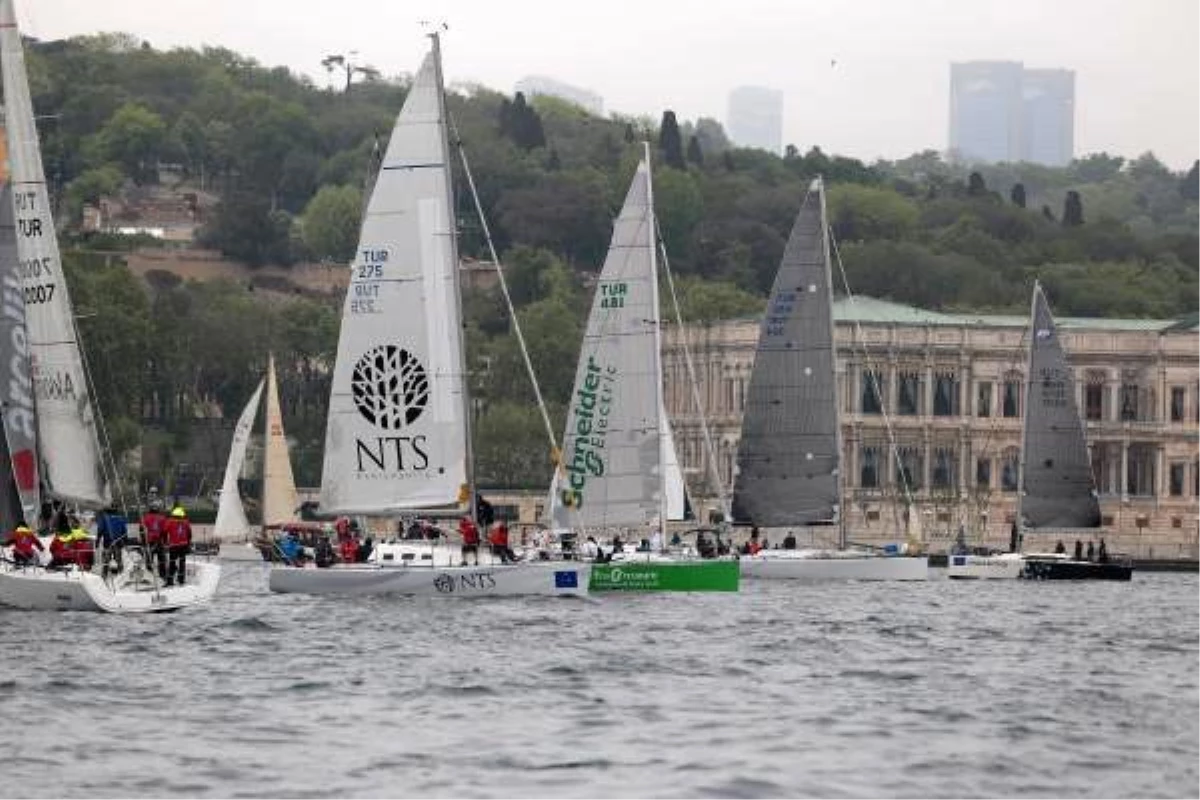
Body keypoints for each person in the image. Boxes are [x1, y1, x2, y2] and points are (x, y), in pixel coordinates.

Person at [163, 506, 193, 586]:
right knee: (182, 563)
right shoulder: (186, 522)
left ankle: (170, 581)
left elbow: (164, 532)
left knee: (172, 562)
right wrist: (188, 544)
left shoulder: (169, 521)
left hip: (173, 545)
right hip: (183, 545)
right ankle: (181, 580)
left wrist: (165, 542)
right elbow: (189, 534)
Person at [95, 506, 129, 576]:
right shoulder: (120, 518)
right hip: (118, 542)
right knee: (119, 560)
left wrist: (97, 541)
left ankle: (104, 575)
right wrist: (126, 542)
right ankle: (121, 575)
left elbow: (100, 530)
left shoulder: (104, 519)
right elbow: (124, 531)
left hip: (108, 542)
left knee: (106, 561)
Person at [141, 500, 168, 581]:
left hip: (149, 542)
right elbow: (164, 531)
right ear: (158, 509)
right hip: (159, 541)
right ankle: (163, 577)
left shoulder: (145, 518)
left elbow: (141, 530)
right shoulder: (163, 518)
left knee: (149, 561)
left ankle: (149, 577)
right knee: (161, 560)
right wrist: (165, 542)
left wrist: (143, 542)